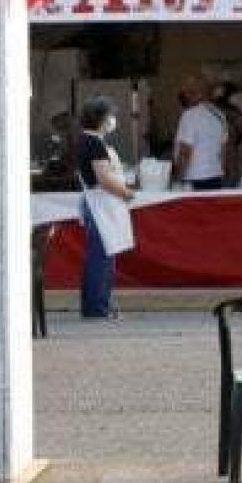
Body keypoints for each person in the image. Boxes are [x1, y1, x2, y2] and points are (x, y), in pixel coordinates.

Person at [76, 96, 134, 320]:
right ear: (101, 118)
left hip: (99, 203)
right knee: (100, 258)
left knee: (101, 256)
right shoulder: (94, 143)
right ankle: (96, 308)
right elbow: (104, 179)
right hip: (100, 204)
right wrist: (127, 193)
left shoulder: (88, 141)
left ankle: (99, 304)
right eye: (111, 115)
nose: (113, 120)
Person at [172, 75, 229, 191]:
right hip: (216, 177)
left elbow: (185, 152)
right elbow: (224, 152)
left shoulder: (189, 115)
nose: (185, 96)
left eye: (187, 93)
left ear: (194, 93)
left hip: (194, 179)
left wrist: (177, 180)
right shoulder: (220, 116)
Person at [212, 81, 242, 187]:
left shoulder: (231, 105)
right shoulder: (235, 106)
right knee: (236, 163)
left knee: (232, 163)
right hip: (235, 137)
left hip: (232, 138)